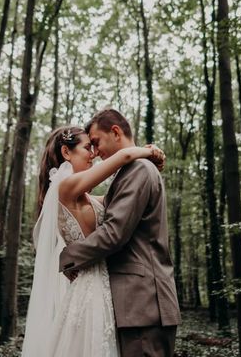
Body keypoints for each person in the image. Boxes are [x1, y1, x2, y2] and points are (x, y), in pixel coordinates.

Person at [21, 123, 165, 357]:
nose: (93, 154)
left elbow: (115, 199)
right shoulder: (64, 186)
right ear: (67, 153)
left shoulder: (84, 196)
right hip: (89, 286)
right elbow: (126, 154)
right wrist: (151, 151)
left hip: (105, 283)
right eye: (88, 147)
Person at [60, 109, 181, 357]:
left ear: (115, 132)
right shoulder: (127, 173)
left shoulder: (138, 170)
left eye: (96, 142)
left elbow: (114, 233)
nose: (95, 152)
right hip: (135, 307)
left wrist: (67, 257)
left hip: (145, 306)